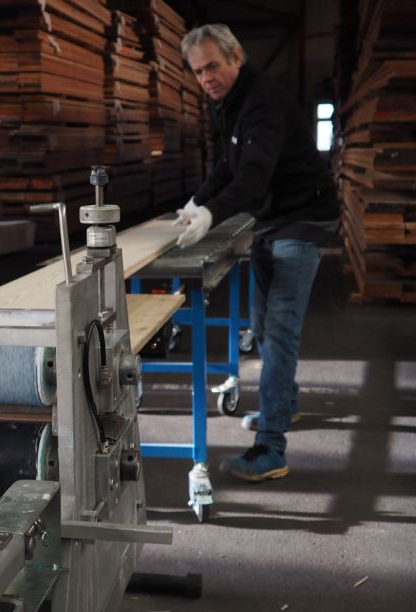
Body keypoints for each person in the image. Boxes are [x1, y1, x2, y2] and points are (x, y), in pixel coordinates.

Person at [174, 24, 340, 482]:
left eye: (212, 66)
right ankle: (283, 406)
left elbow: (252, 178)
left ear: (236, 57)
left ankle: (271, 448)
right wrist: (196, 201)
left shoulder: (262, 102)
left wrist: (212, 214)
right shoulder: (230, 102)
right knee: (263, 326)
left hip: (303, 220)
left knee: (279, 332)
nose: (206, 78)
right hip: (275, 219)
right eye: (198, 71)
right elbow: (229, 164)